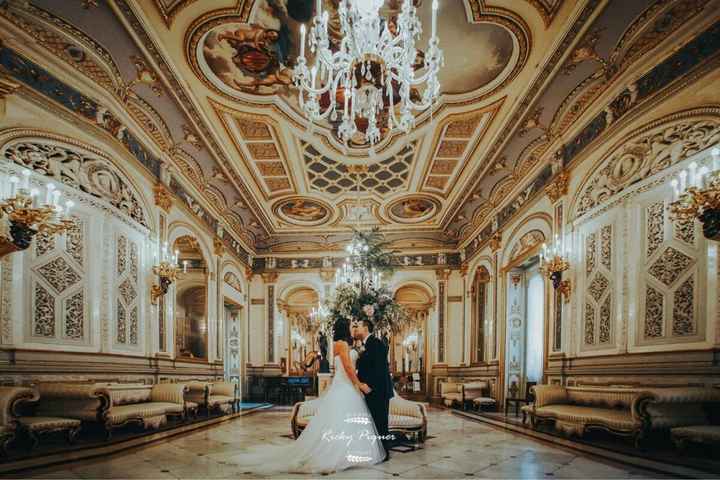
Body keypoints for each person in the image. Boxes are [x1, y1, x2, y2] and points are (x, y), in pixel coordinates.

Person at [232, 318, 385, 474]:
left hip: (344, 385)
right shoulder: (343, 344)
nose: (354, 328)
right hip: (345, 386)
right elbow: (347, 368)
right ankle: (340, 454)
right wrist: (359, 384)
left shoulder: (340, 344)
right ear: (345, 328)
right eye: (352, 325)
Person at [353, 319, 395, 461]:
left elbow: (379, 368)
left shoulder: (375, 343)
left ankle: (384, 453)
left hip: (378, 390)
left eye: (357, 326)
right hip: (374, 390)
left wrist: (369, 385)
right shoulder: (367, 344)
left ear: (365, 328)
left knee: (381, 422)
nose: (355, 328)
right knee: (376, 422)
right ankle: (379, 451)